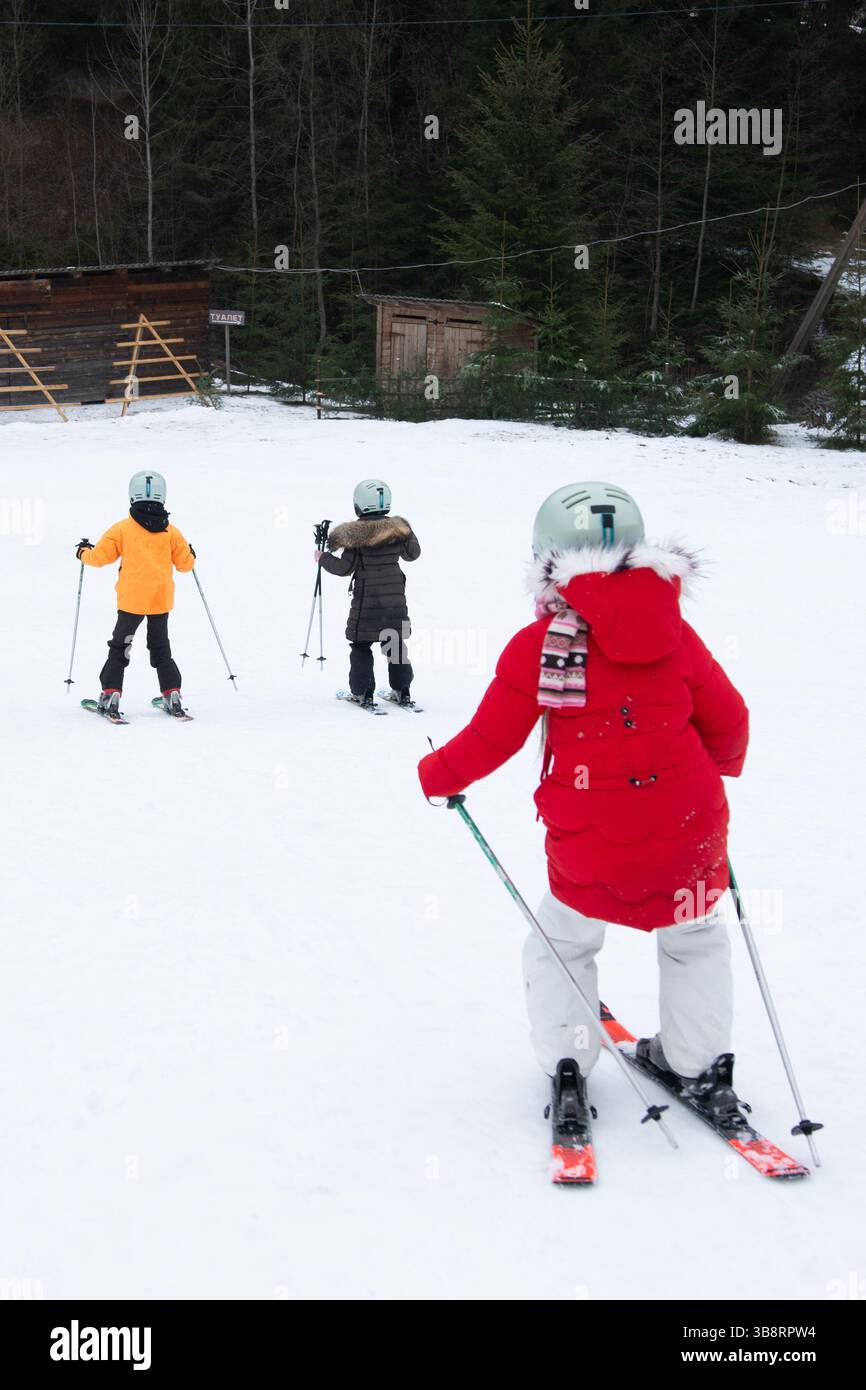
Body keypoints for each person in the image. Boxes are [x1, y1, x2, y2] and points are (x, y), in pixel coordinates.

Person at [417, 482, 749, 1125]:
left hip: (591, 837)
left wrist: (437, 773)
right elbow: (730, 721)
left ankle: (569, 1063)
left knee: (563, 942)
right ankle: (697, 1062)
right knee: (696, 938)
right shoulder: (676, 632)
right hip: (690, 825)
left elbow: (492, 737)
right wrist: (714, 775)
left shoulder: (542, 645)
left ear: (547, 560)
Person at [75, 471, 195, 717]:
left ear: (132, 495)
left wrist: (83, 553)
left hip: (131, 600)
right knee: (161, 648)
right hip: (160, 600)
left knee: (121, 646)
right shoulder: (171, 532)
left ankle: (111, 695)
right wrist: (191, 554)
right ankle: (172, 694)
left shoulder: (122, 529)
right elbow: (185, 565)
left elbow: (99, 558)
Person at [317, 479, 421, 707]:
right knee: (395, 643)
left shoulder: (354, 535)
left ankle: (363, 691)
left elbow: (344, 568)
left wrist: (322, 558)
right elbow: (413, 554)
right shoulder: (398, 530)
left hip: (367, 601)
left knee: (361, 644)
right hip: (395, 600)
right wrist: (406, 529)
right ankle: (402, 690)